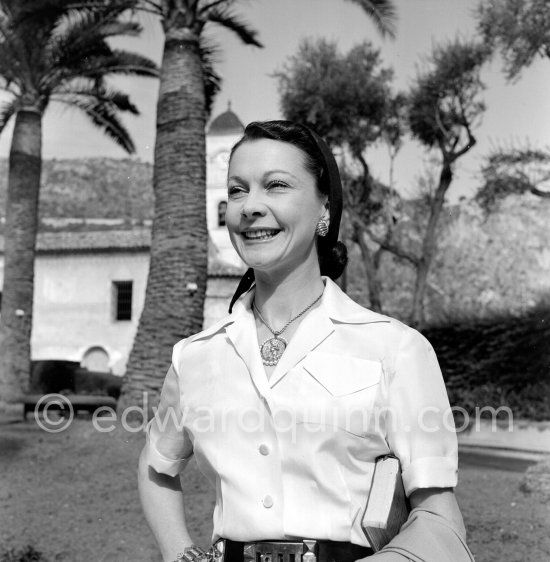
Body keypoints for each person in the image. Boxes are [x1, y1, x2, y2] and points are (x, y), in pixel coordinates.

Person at [138, 120, 474, 562]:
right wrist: (178, 552)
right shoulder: (195, 357)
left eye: (276, 185)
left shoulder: (396, 349)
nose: (249, 207)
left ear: (324, 211)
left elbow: (438, 514)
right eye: (237, 190)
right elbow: (156, 466)